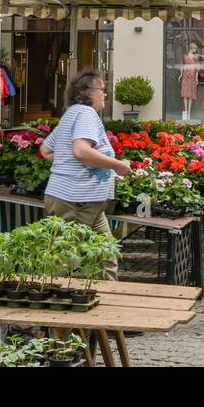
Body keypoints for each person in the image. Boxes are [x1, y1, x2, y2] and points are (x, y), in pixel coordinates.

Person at [41, 70, 130, 279]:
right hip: (77, 200)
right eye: (102, 90)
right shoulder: (86, 114)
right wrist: (117, 165)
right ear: (88, 92)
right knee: (64, 260)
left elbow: (46, 150)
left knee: (106, 254)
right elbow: (81, 151)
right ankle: (52, 300)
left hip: (85, 200)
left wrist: (69, 160)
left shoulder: (71, 114)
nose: (105, 95)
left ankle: (109, 297)